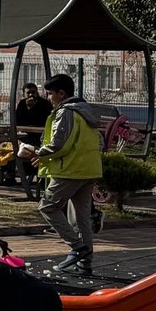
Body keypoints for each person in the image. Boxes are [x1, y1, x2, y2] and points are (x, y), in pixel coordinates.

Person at [20, 74, 104, 283]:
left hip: (69, 171)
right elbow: (99, 143)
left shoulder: (65, 112)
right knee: (81, 217)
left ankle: (77, 248)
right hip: (89, 170)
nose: (48, 98)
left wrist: (38, 153)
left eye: (50, 94)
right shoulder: (87, 112)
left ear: (61, 94)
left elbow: (58, 143)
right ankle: (85, 264)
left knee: (47, 206)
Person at [11, 81, 50, 187]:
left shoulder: (44, 104)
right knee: (9, 147)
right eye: (28, 93)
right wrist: (28, 108)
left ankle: (40, 179)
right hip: (26, 135)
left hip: (39, 136)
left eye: (33, 92)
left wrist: (32, 109)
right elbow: (17, 120)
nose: (31, 95)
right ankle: (9, 176)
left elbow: (42, 121)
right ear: (24, 94)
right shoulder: (22, 104)